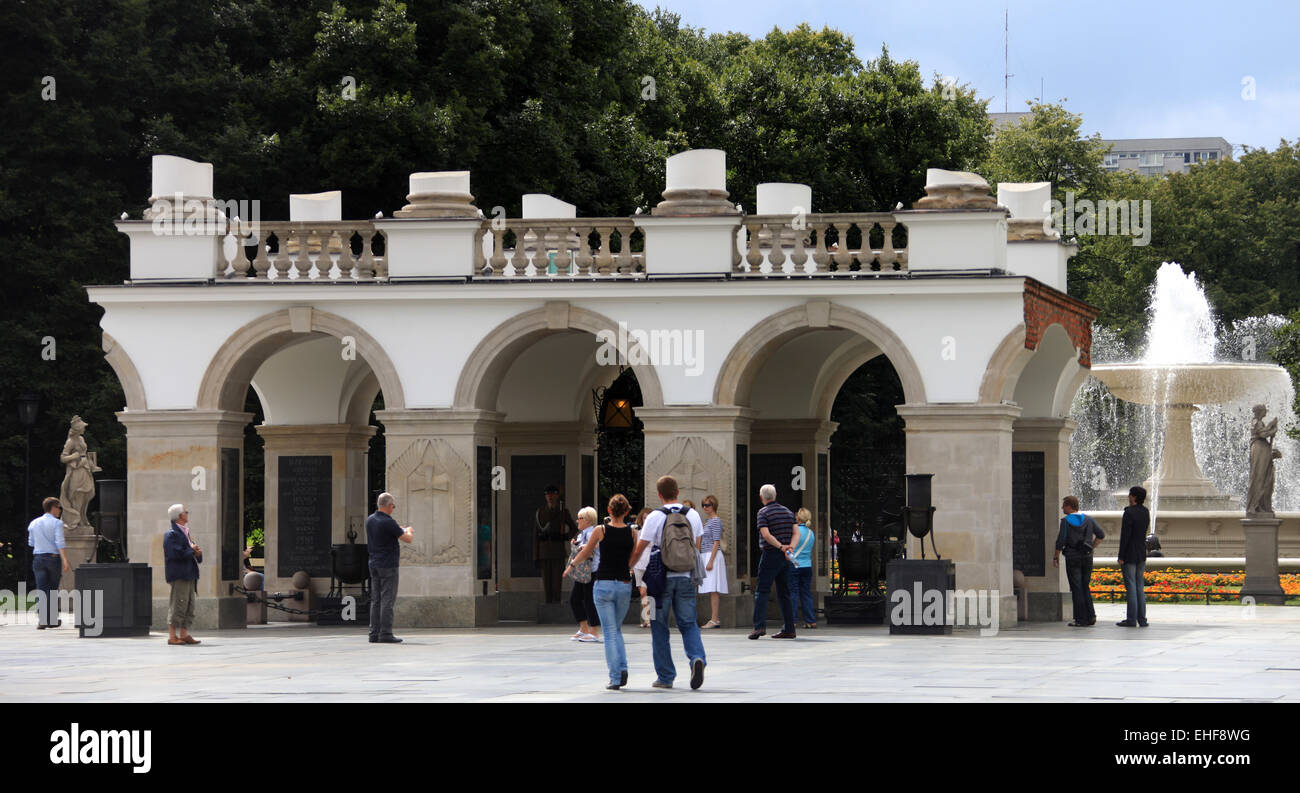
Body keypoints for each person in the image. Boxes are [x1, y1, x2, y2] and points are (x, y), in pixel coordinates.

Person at [628, 476, 707, 690]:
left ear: (660, 494)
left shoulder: (654, 516)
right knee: (689, 623)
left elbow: (641, 547)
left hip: (657, 579)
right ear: (678, 492)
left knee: (658, 626)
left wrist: (630, 566)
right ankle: (697, 658)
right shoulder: (693, 515)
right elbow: (696, 546)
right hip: (687, 577)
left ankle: (665, 676)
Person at [568, 494, 636, 689]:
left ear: (608, 511)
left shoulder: (601, 529)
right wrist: (628, 568)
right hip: (623, 584)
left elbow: (586, 551)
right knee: (616, 629)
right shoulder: (632, 533)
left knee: (610, 632)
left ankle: (616, 676)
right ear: (627, 511)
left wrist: (571, 565)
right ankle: (622, 668)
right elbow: (634, 555)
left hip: (604, 583)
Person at [750, 484, 797, 640]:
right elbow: (796, 532)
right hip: (786, 556)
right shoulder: (788, 511)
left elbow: (766, 534)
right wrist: (790, 548)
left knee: (762, 590)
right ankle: (789, 628)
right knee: (784, 592)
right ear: (775, 495)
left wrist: (781, 547)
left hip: (771, 554)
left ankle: (759, 627)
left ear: (762, 497)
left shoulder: (763, 512)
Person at [366, 492, 413, 644]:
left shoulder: (370, 520)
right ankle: (385, 633)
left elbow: (392, 529)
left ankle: (374, 633)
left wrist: (400, 528)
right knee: (387, 599)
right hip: (388, 565)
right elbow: (408, 539)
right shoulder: (388, 522)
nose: (393, 508)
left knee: (376, 599)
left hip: (373, 563)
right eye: (393, 506)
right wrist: (409, 530)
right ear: (388, 505)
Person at [1053, 495, 1105, 627]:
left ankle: (1080, 619)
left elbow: (1061, 541)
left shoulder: (1066, 522)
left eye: (1064, 505)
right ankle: (1091, 616)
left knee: (1076, 588)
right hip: (1087, 557)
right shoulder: (1088, 519)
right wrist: (1091, 547)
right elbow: (1101, 535)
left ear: (1070, 506)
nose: (1062, 507)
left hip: (1072, 557)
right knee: (1085, 586)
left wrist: (1056, 556)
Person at [27, 497, 70, 629]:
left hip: (38, 559)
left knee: (42, 589)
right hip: (53, 558)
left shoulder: (33, 523)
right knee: (51, 590)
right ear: (53, 507)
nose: (60, 510)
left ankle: (43, 620)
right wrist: (65, 559)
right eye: (59, 508)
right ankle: (50, 619)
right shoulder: (57, 523)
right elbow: (59, 542)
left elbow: (31, 543)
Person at [163, 504, 202, 645]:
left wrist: (197, 553)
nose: (187, 513)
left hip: (190, 574)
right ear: (180, 516)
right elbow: (173, 553)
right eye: (186, 512)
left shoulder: (185, 532)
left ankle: (184, 634)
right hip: (179, 575)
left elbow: (191, 553)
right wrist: (191, 550)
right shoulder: (171, 535)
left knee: (189, 605)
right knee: (178, 604)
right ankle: (172, 636)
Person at [564, 506, 601, 643]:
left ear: (588, 520)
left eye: (580, 518)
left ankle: (594, 631)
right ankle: (584, 628)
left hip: (592, 571)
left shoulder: (593, 532)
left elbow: (592, 547)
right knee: (575, 598)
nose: (577, 521)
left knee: (589, 600)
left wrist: (583, 546)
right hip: (582, 572)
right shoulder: (581, 534)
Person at [535, 485, 577, 604]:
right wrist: (536, 555)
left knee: (556, 581)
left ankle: (556, 603)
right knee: (546, 581)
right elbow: (535, 535)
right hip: (544, 551)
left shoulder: (563, 512)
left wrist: (564, 537)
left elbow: (574, 528)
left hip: (557, 549)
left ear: (557, 496)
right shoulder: (540, 512)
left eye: (553, 494)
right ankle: (548, 603)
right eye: (548, 494)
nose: (550, 497)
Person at [1116, 486, 1150, 628]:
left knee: (1131, 586)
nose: (1128, 497)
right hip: (1141, 552)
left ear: (1134, 497)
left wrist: (1121, 555)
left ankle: (1131, 619)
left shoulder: (1129, 513)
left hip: (1129, 553)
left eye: (1130, 495)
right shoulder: (1146, 512)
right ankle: (1142, 619)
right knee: (1139, 586)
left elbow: (1125, 536)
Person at [697, 495, 727, 629]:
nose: (705, 507)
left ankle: (714, 619)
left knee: (713, 589)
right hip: (707, 554)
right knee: (711, 589)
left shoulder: (715, 521)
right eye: (704, 505)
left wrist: (710, 561)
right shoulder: (709, 521)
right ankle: (714, 619)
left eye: (708, 505)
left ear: (713, 505)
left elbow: (716, 542)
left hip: (711, 555)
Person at [787, 508, 816, 628]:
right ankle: (810, 620)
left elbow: (790, 548)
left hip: (795, 564)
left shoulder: (795, 531)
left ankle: (792, 620)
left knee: (793, 592)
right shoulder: (811, 533)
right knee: (806, 593)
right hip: (807, 566)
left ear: (798, 518)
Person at [633, 507, 653, 628]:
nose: (646, 520)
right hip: (638, 564)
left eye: (648, 518)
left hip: (649, 563)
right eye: (644, 517)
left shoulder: (654, 532)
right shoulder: (638, 532)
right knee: (642, 593)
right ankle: (646, 619)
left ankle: (651, 619)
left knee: (647, 591)